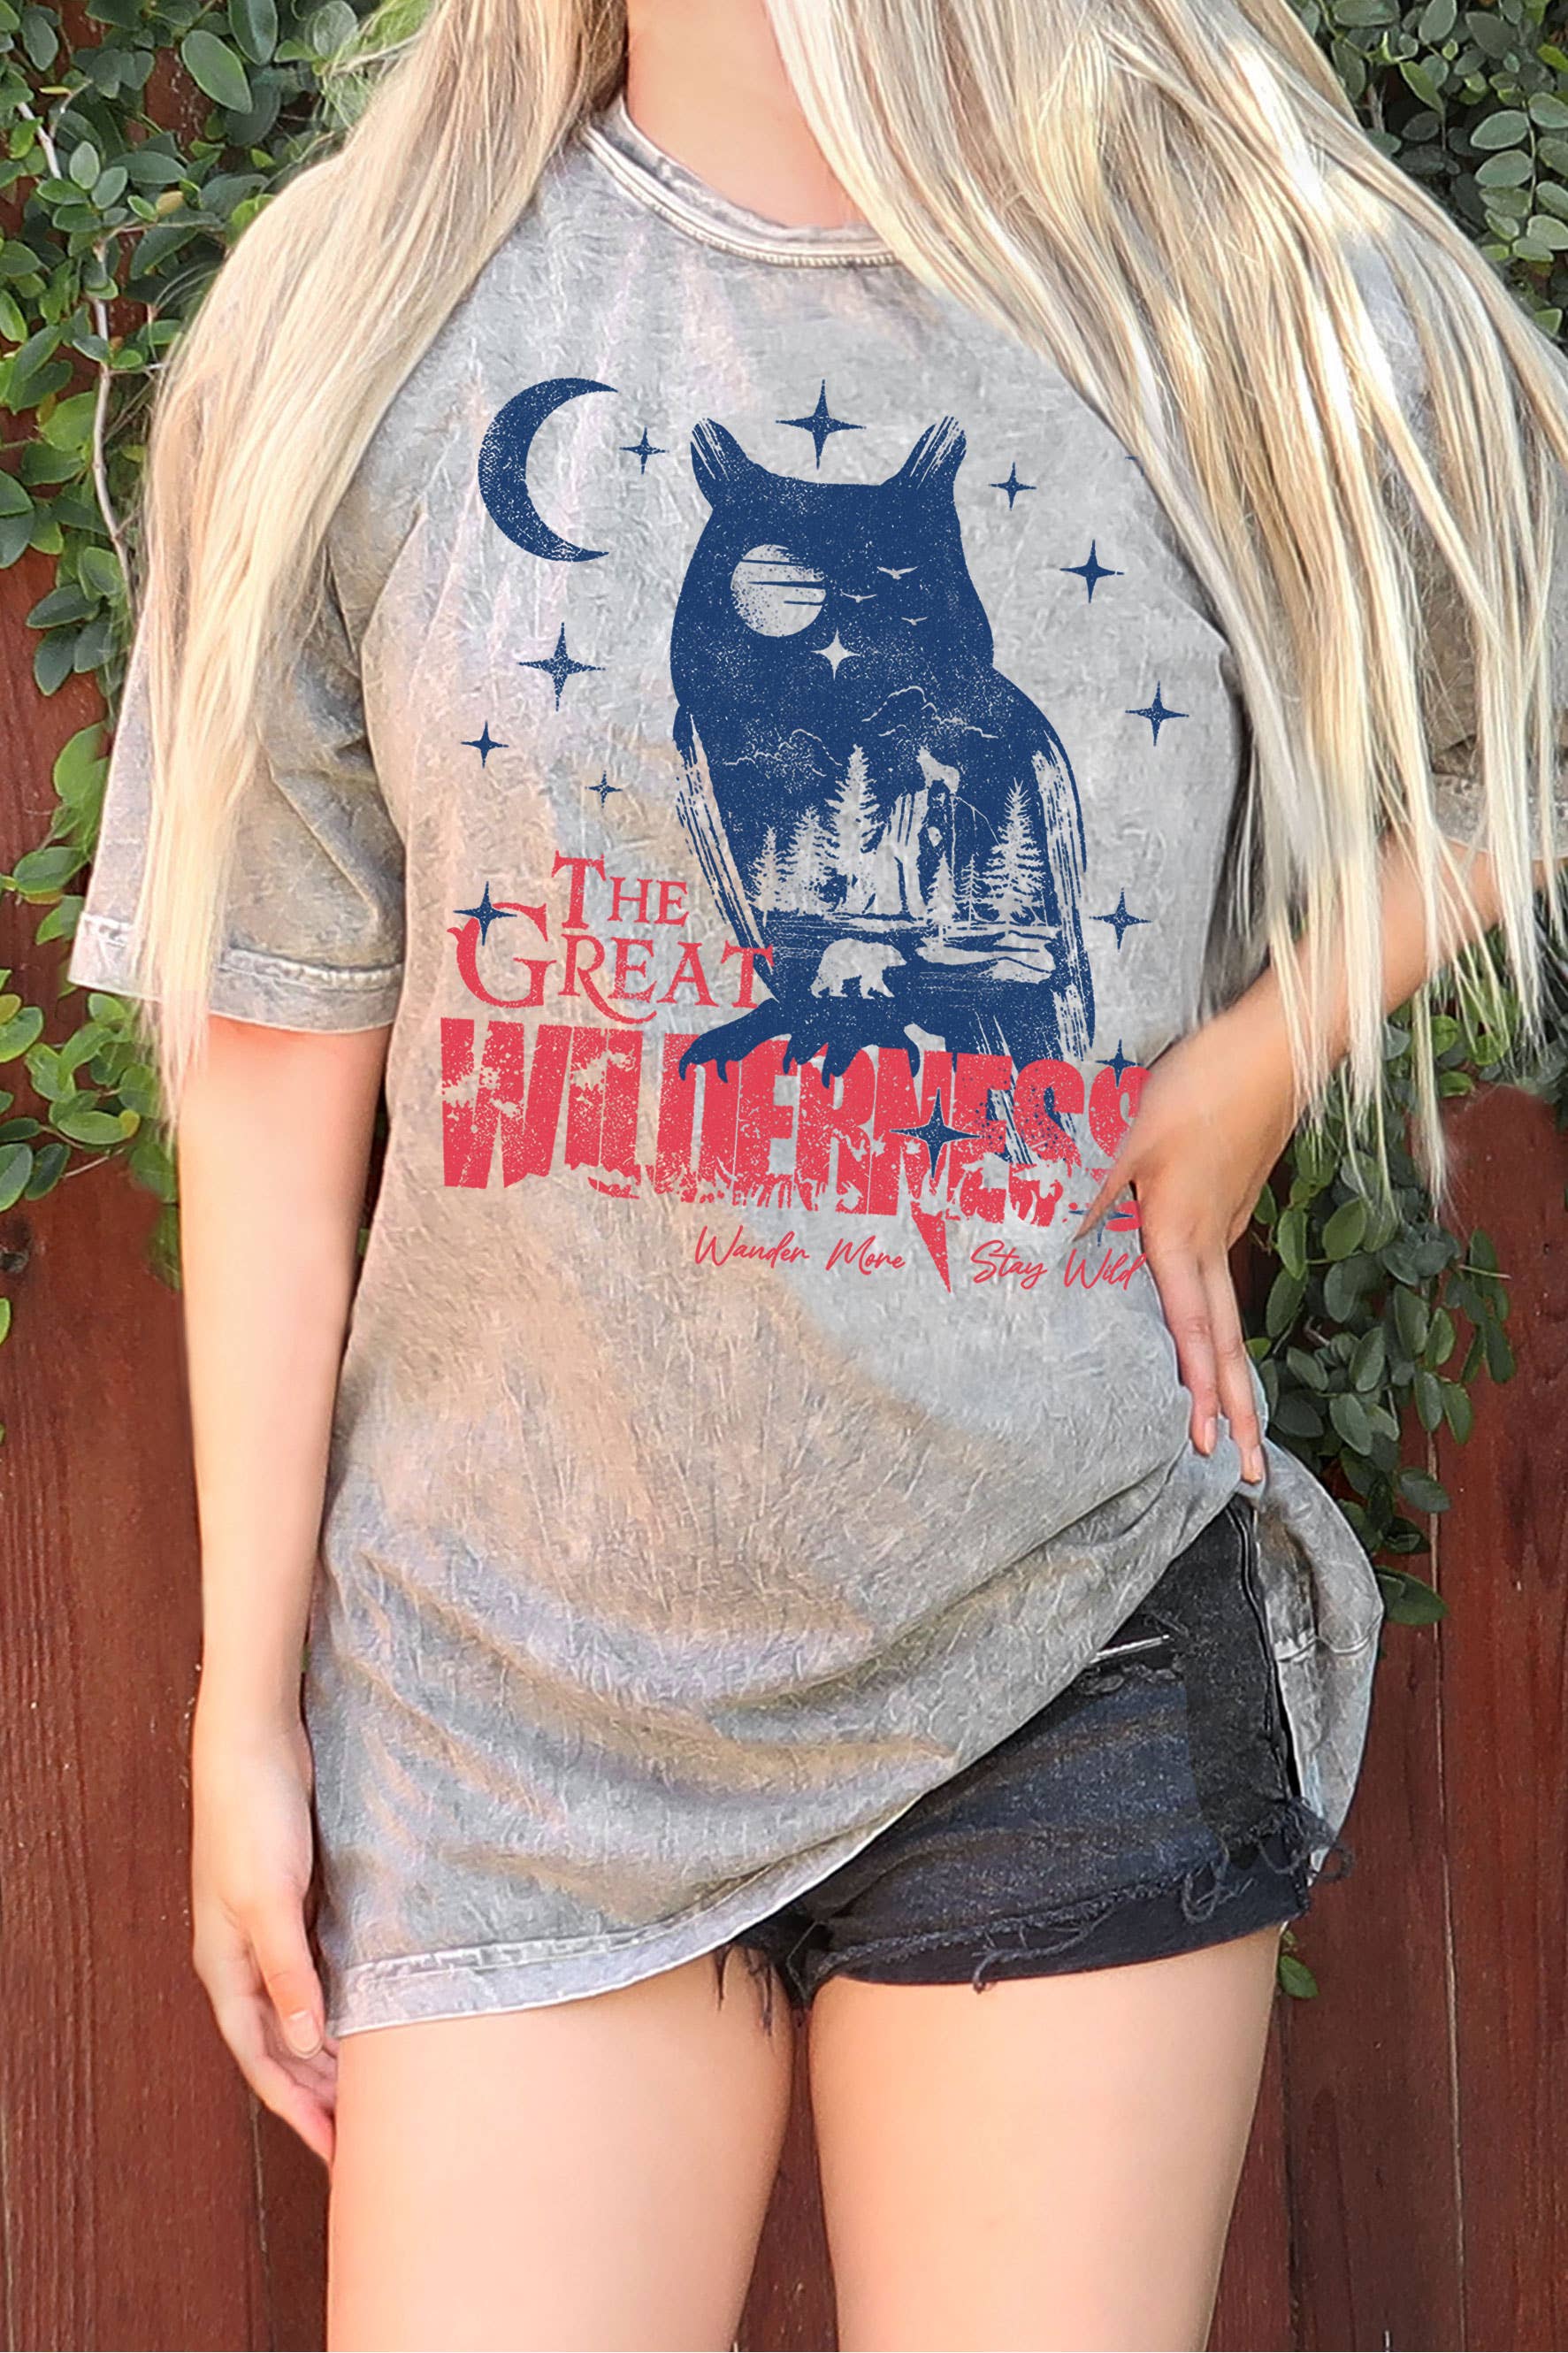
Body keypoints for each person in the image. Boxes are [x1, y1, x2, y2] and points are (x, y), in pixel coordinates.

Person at [65, 0, 1568, 2343]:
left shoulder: (1204, 266)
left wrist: (1272, 1049)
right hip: (504, 1697)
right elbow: (273, 1038)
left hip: (1064, 1627)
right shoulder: (369, 305)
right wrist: (242, 1706)